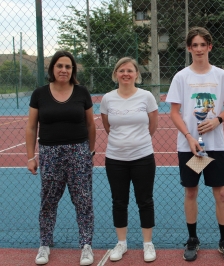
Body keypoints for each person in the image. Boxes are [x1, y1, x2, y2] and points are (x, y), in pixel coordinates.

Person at [166, 26, 224, 263]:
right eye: (194, 45)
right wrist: (188, 135)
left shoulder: (221, 76)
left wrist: (217, 120)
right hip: (191, 146)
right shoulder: (181, 77)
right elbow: (174, 112)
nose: (198, 49)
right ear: (189, 48)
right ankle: (193, 239)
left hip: (215, 145)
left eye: (202, 45)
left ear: (210, 46)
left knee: (222, 194)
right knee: (191, 191)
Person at [26, 50, 96, 265]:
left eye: (68, 66)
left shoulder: (82, 92)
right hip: (49, 154)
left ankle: (86, 245)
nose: (64, 70)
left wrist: (89, 152)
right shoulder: (40, 94)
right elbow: (31, 127)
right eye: (60, 66)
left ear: (72, 70)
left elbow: (91, 124)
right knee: (48, 201)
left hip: (79, 153)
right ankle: (45, 244)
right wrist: (31, 156)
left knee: (83, 200)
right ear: (52, 69)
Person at [100, 57, 159, 263]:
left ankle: (147, 244)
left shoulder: (147, 96)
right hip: (115, 159)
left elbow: (153, 125)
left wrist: (138, 143)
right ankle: (121, 243)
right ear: (116, 74)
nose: (126, 74)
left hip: (143, 157)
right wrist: (121, 143)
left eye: (130, 70)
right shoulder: (107, 99)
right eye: (121, 70)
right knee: (119, 201)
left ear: (137, 74)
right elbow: (108, 127)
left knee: (145, 200)